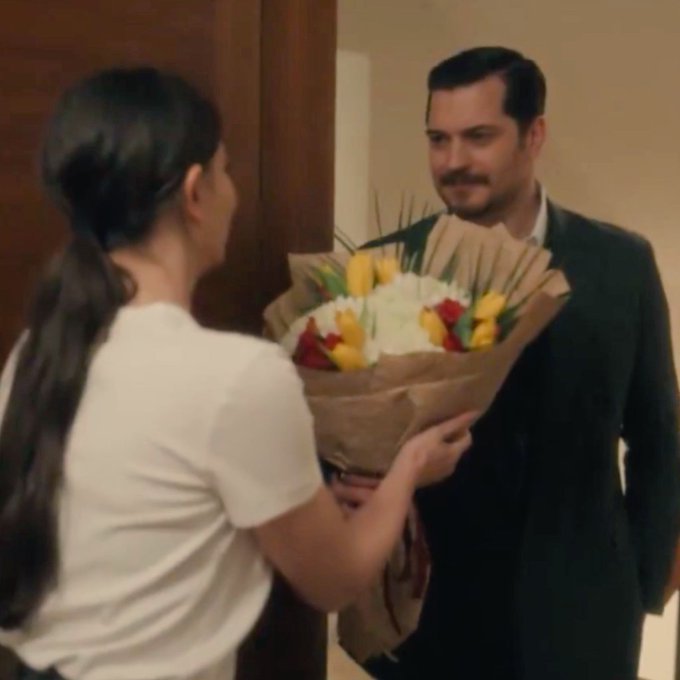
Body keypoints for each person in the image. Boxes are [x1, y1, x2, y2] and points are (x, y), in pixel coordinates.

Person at [0, 67, 475, 680]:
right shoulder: (235, 375)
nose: (233, 193)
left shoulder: (37, 356)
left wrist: (296, 502)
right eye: (225, 172)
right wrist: (409, 467)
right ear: (194, 193)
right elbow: (335, 580)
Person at [334, 46, 680, 680]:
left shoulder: (621, 265)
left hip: (585, 621)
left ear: (534, 135)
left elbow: (659, 438)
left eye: (478, 137)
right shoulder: (382, 268)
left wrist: (643, 584)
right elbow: (340, 438)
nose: (453, 161)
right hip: (431, 624)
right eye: (438, 139)